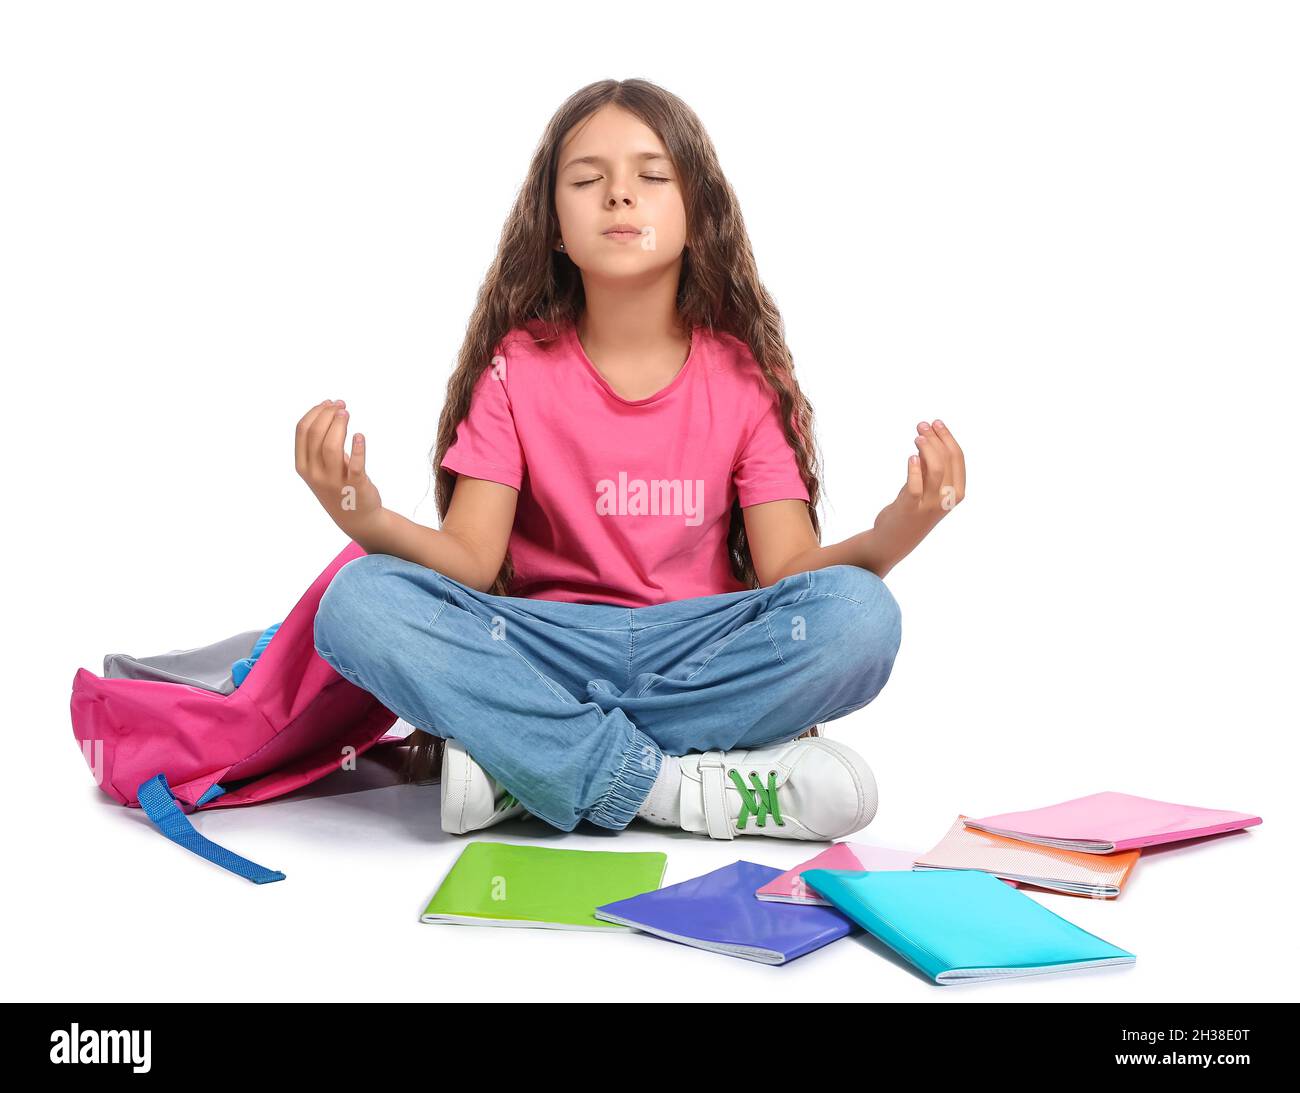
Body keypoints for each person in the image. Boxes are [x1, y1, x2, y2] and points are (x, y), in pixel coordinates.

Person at [297, 79, 965, 842]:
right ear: (554, 226)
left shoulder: (746, 380)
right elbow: (470, 563)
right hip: (545, 647)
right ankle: (674, 786)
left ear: (697, 217)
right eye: (588, 180)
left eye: (651, 177)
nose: (620, 197)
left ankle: (532, 762)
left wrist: (897, 531)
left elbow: (790, 575)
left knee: (859, 616)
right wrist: (364, 514)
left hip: (697, 648)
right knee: (359, 601)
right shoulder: (516, 371)